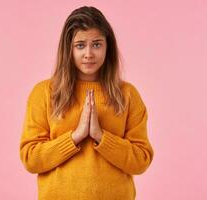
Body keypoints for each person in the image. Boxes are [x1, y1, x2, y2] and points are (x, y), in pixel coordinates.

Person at [19, 6, 154, 200]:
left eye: (97, 44)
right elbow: (31, 158)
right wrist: (75, 137)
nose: (89, 53)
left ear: (108, 47)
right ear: (69, 48)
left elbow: (141, 160)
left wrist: (101, 136)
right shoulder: (44, 93)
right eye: (80, 45)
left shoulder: (128, 94)